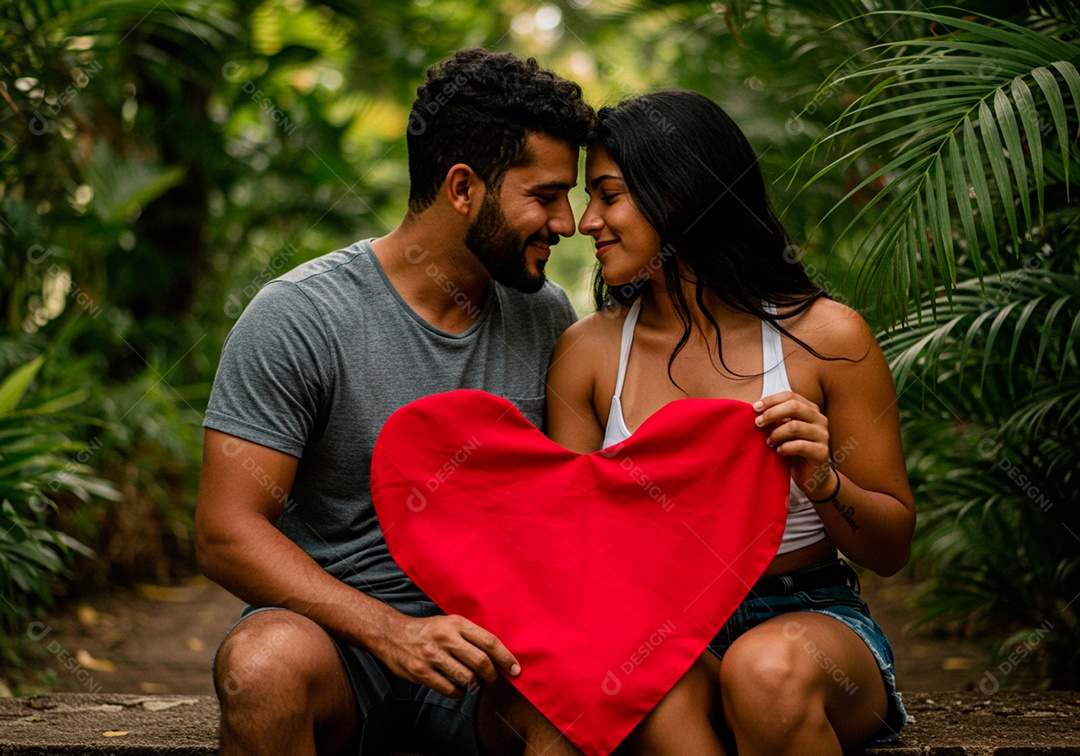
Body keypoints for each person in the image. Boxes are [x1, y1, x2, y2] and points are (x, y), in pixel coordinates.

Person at [195, 49, 594, 756]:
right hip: (339, 648)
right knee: (260, 666)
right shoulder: (300, 316)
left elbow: (572, 509)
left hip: (492, 656)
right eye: (546, 195)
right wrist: (392, 632)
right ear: (463, 188)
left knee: (578, 691)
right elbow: (225, 532)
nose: (567, 222)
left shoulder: (547, 317)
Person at [545, 89, 915, 755]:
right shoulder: (589, 353)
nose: (586, 221)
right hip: (659, 632)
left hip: (808, 618)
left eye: (608, 196)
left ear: (678, 194)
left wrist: (824, 481)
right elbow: (569, 556)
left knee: (763, 672)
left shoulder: (828, 337)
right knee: (646, 686)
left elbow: (890, 549)